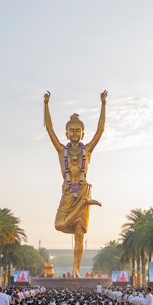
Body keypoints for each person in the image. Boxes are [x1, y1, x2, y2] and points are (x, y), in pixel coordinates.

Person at [44, 90, 108, 275]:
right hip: (68, 193)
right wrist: (46, 105)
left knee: (79, 234)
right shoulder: (60, 150)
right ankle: (82, 204)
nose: (74, 133)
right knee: (59, 224)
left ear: (82, 133)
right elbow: (49, 130)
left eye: (77, 131)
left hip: (82, 190)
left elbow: (100, 130)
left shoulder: (87, 150)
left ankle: (76, 269)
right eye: (71, 130)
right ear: (66, 132)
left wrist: (103, 104)